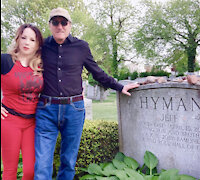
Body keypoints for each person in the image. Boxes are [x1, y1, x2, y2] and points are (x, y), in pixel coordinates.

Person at [34, 7, 139, 180]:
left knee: (68, 161)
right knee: (42, 164)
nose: (60, 26)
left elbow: (97, 72)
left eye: (63, 22)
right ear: (50, 25)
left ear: (70, 25)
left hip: (74, 110)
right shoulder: (41, 46)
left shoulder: (81, 47)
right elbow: (20, 64)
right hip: (46, 110)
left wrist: (119, 87)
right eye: (55, 22)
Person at [1, 24, 44, 180]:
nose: (27, 42)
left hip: (32, 123)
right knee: (10, 171)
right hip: (9, 121)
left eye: (32, 39)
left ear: (38, 44)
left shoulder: (40, 66)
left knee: (30, 171)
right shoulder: (5, 60)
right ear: (18, 39)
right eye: (24, 37)